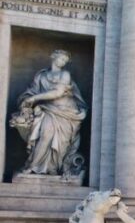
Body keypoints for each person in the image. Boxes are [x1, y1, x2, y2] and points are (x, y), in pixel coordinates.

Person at [10, 49, 88, 177]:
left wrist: (35, 99)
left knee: (62, 144)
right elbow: (31, 92)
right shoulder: (41, 76)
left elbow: (57, 93)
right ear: (53, 56)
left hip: (67, 113)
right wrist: (27, 100)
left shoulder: (65, 74)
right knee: (46, 135)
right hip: (48, 110)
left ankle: (53, 168)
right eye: (61, 58)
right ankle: (33, 166)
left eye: (65, 61)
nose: (63, 62)